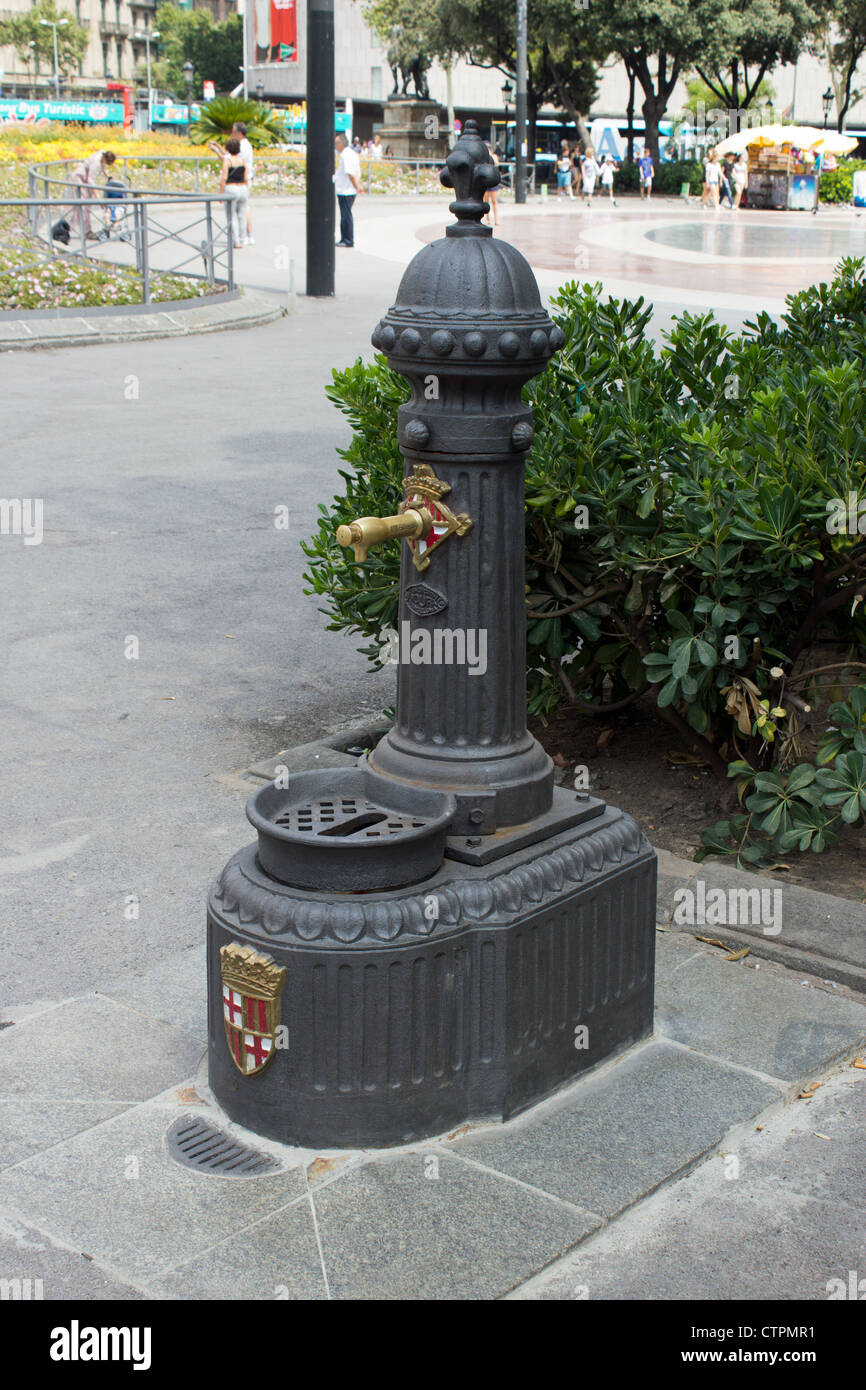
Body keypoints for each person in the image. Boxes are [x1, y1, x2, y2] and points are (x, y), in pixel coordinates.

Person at [69, 149, 116, 238]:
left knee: (83, 205)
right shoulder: (96, 164)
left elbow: (103, 166)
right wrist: (98, 198)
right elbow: (91, 181)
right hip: (79, 178)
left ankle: (74, 227)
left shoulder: (103, 153)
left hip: (83, 177)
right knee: (84, 205)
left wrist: (107, 175)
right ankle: (86, 231)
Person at [219, 138, 249, 249]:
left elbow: (224, 177)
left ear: (228, 148)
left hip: (231, 188)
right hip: (243, 188)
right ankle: (243, 238)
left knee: (231, 216)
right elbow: (246, 176)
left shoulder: (227, 161)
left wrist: (221, 193)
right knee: (242, 215)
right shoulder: (242, 161)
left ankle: (236, 241)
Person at [334, 132, 362, 247]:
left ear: (341, 143)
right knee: (346, 215)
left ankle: (347, 240)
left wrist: (356, 186)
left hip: (345, 190)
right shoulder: (353, 154)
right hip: (348, 190)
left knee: (346, 216)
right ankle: (345, 239)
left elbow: (350, 174)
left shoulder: (345, 156)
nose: (335, 145)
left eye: (336, 143)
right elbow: (358, 171)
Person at [483, 142, 501, 225]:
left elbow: (496, 163)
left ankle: (496, 219)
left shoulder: (494, 156)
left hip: (492, 180)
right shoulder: (483, 157)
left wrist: (490, 156)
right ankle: (487, 219)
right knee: (486, 201)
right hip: (485, 181)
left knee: (494, 201)